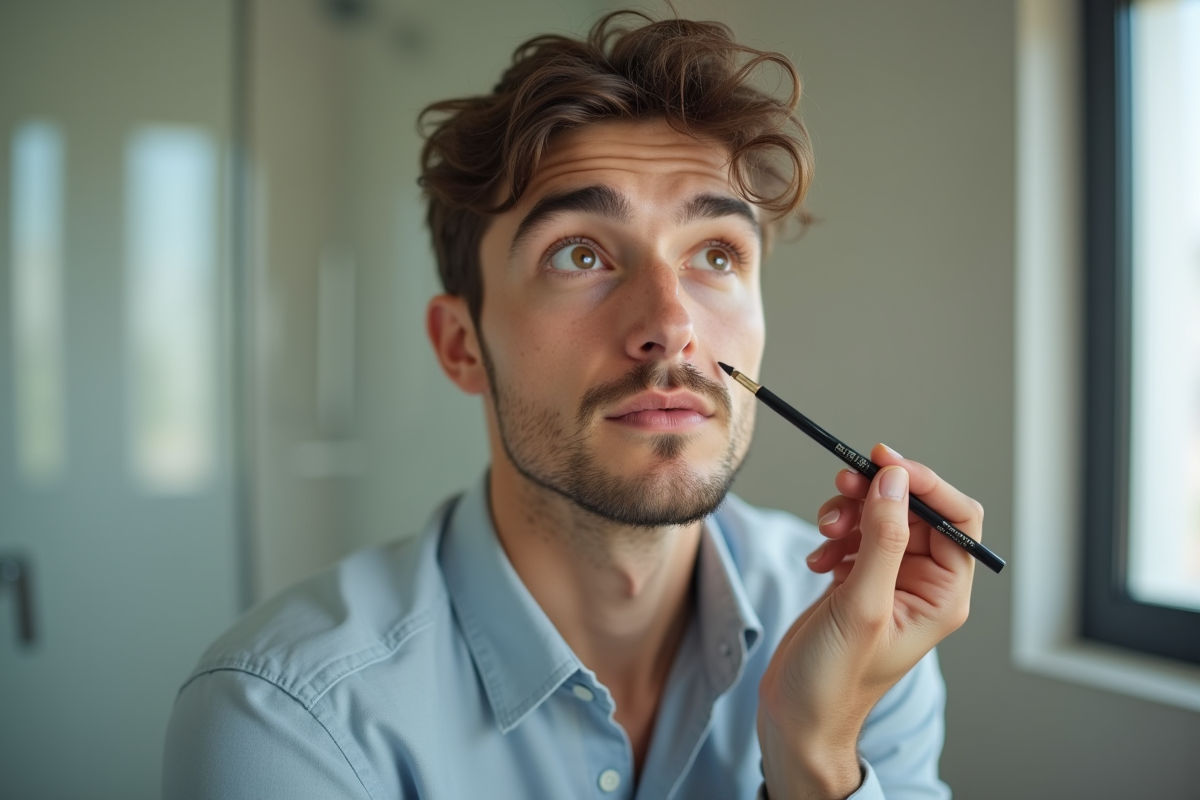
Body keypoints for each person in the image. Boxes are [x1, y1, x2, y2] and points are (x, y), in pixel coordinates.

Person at [163, 10, 982, 799]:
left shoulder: (859, 629)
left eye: (716, 254)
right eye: (580, 253)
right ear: (461, 346)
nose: (670, 327)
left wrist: (816, 757)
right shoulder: (287, 720)